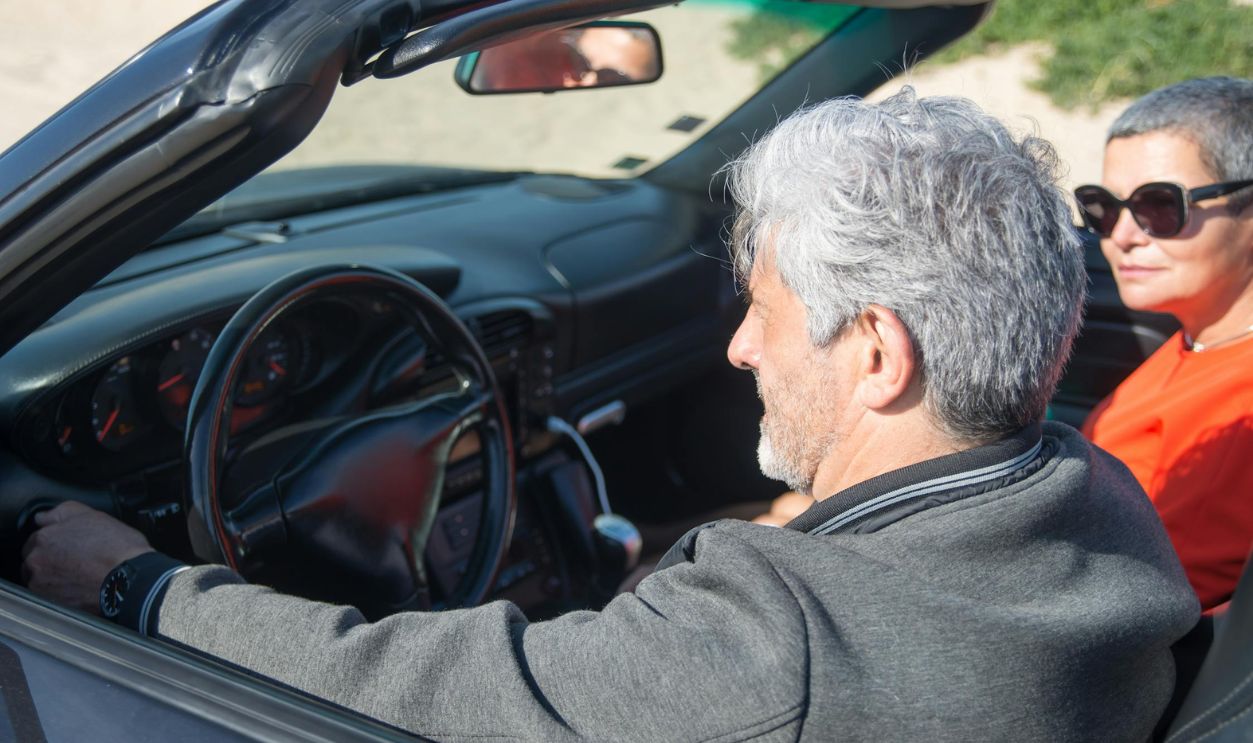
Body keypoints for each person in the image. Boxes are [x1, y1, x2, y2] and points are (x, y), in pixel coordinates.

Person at [22, 90, 1199, 741]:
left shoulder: (779, 638)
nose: (739, 344)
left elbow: (419, 688)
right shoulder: (1091, 492)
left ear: (877, 351)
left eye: (765, 308)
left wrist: (141, 584)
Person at [1076, 77, 1253, 611]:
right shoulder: (1199, 339)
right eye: (1103, 207)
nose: (1121, 234)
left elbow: (1143, 608)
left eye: (1158, 205)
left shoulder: (1240, 413)